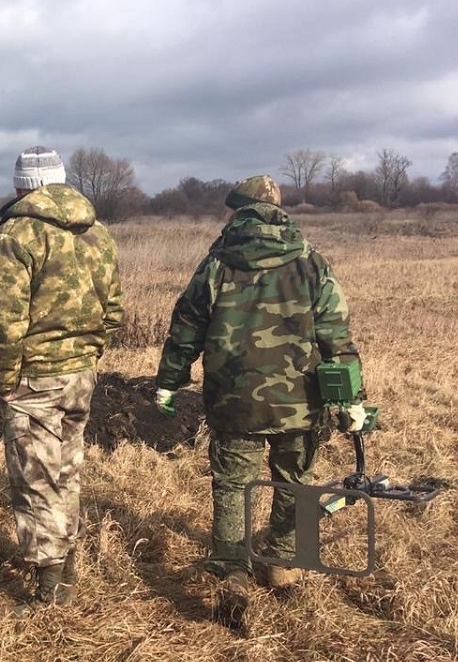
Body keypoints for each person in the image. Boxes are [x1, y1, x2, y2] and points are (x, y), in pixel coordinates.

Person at [153, 174, 363, 626]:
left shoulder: (216, 264)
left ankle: (233, 572)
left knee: (232, 485)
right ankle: (282, 565)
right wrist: (351, 400)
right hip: (300, 403)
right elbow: (337, 338)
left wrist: (169, 381)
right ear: (280, 212)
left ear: (238, 213)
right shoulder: (312, 263)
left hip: (233, 401)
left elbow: (185, 328)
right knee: (293, 480)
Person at [0, 146, 124, 610]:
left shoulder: (17, 233)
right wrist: (88, 354)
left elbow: (4, 317)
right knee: (67, 472)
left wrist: (5, 378)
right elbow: (115, 309)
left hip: (36, 377)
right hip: (81, 375)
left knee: (35, 479)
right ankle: (67, 572)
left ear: (22, 185)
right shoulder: (97, 231)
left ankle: (50, 593)